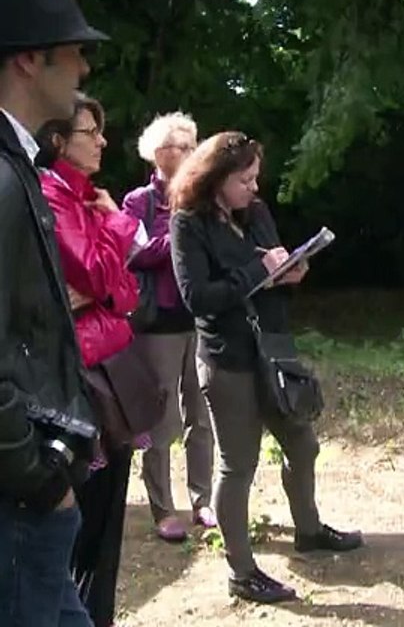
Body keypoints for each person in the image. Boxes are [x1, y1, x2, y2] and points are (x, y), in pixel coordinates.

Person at [169, 131, 362, 604]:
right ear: (215, 180)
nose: (255, 188)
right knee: (238, 466)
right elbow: (198, 298)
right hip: (227, 359)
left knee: (304, 443)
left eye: (256, 177)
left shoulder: (254, 212)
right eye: (244, 179)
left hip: (273, 351)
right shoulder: (188, 223)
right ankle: (242, 571)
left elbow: (273, 265)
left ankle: (310, 530)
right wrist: (259, 272)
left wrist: (292, 271)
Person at [0, 0, 107, 627]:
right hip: (17, 505)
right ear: (28, 59)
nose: (84, 65)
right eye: (73, 51)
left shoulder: (19, 164)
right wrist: (37, 478)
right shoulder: (3, 179)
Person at [35, 93, 150, 627]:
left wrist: (105, 277)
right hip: (80, 381)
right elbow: (105, 277)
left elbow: (127, 294)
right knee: (78, 527)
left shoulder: (88, 200)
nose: (103, 140)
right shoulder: (53, 196)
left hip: (105, 375)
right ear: (59, 141)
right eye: (91, 132)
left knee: (103, 526)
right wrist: (118, 230)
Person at [122, 112, 215, 542]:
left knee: (202, 413)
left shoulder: (201, 199)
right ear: (157, 154)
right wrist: (178, 237)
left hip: (200, 318)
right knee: (160, 418)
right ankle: (162, 507)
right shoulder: (136, 203)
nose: (185, 152)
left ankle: (203, 500)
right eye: (177, 145)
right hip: (156, 323)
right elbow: (136, 254)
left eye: (189, 144)